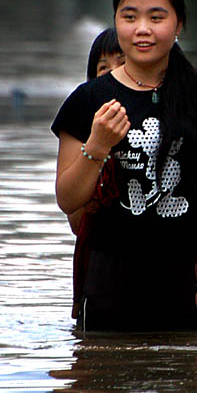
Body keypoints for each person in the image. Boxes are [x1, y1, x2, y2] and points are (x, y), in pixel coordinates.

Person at [52, 0, 197, 332]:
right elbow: (69, 199)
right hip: (113, 274)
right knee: (108, 377)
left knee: (196, 376)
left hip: (193, 273)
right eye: (129, 17)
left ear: (179, 24)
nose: (142, 29)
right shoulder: (89, 100)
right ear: (116, 22)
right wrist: (97, 147)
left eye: (156, 17)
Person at [68, 27, 125, 320]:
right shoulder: (83, 132)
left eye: (122, 64)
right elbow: (76, 221)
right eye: (103, 68)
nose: (113, 75)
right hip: (100, 268)